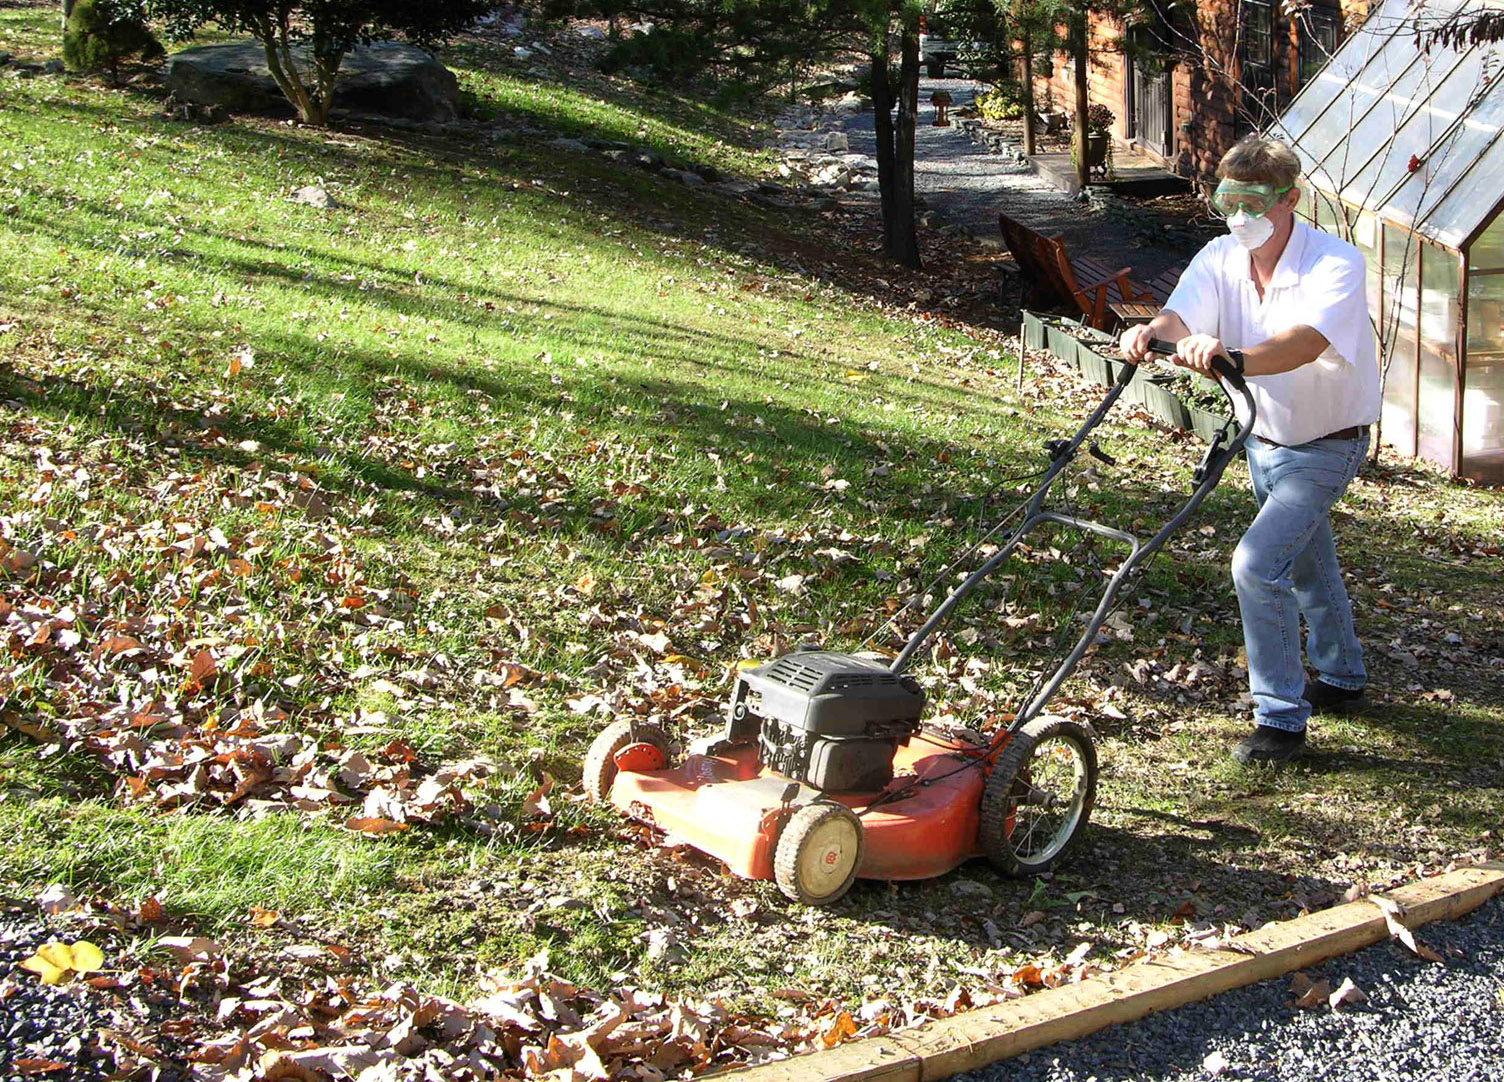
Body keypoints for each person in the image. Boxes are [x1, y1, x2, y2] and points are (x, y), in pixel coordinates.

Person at [1119, 134, 1380, 764]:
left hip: (1328, 443)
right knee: (1308, 559)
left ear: (1290, 198)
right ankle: (1342, 674)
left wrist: (1232, 357)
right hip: (1262, 439)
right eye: (1228, 201)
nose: (1239, 216)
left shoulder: (1336, 262)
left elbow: (1304, 343)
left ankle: (1280, 719)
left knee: (1257, 564)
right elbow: (1182, 316)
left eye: (1254, 203)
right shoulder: (1220, 256)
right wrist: (1152, 332)